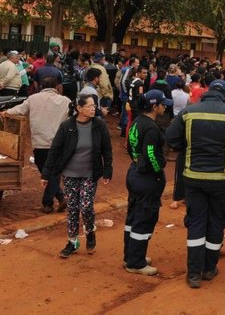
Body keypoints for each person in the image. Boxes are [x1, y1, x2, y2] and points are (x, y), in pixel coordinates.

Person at [166, 79, 225, 289]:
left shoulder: (188, 112)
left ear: (206, 92)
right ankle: (209, 268)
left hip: (193, 177)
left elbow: (171, 138)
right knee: (216, 221)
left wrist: (189, 148)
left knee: (196, 222)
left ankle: (194, 273)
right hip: (222, 180)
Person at [42, 94, 113, 258]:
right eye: (89, 106)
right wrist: (46, 174)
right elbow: (55, 150)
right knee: (72, 208)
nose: (93, 108)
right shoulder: (67, 126)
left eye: (94, 105)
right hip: (70, 174)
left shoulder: (99, 125)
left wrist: (107, 170)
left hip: (90, 173)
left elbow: (107, 150)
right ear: (79, 108)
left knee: (86, 206)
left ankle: (90, 231)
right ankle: (72, 241)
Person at [2, 77, 70, 213]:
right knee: (53, 173)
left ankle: (48, 203)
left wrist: (5, 113)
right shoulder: (65, 101)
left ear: (40, 86)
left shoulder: (33, 99)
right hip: (59, 143)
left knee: (45, 171)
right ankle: (60, 197)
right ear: (57, 87)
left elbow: (19, 110)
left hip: (40, 143)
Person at [123, 90, 173, 276]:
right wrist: (158, 169)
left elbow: (129, 146)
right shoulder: (151, 128)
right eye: (162, 103)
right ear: (154, 106)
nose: (164, 106)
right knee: (144, 220)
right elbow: (151, 154)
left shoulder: (137, 122)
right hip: (146, 179)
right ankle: (136, 263)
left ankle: (130, 255)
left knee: (133, 217)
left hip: (134, 173)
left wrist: (137, 162)